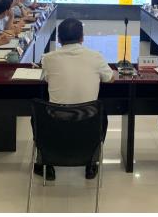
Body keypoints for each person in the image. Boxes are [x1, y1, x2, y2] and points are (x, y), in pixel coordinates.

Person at [39, 18, 114, 180]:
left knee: (36, 117)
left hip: (56, 121)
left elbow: (44, 78)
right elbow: (110, 79)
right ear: (82, 37)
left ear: (59, 39)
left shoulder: (48, 58)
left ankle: (46, 163)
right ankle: (91, 162)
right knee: (103, 115)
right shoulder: (96, 57)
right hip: (88, 122)